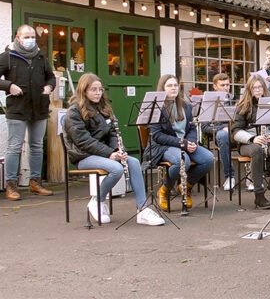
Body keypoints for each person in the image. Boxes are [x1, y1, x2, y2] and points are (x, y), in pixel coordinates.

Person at [63, 73, 164, 225]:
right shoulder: (74, 112)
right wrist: (110, 154)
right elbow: (83, 141)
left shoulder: (104, 108)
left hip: (105, 154)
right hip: (83, 156)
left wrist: (117, 151)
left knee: (134, 162)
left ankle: (142, 209)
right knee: (116, 169)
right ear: (84, 91)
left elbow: (113, 133)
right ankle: (97, 200)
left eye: (100, 89)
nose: (98, 93)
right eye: (93, 90)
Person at [0, 24, 56, 200]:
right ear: (18, 37)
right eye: (26, 37)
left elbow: (51, 76)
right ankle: (11, 185)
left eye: (32, 37)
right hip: (17, 108)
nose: (30, 40)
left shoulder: (40, 56)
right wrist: (9, 85)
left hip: (39, 107)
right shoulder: (7, 57)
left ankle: (35, 182)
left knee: (37, 146)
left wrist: (49, 86)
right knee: (14, 147)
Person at [147, 74, 214, 212]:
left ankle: (186, 187)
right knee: (184, 161)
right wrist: (181, 143)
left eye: (175, 85)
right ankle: (165, 189)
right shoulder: (156, 107)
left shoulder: (185, 105)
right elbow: (157, 136)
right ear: (162, 88)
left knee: (208, 159)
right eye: (169, 86)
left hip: (184, 143)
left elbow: (191, 127)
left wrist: (192, 141)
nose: (173, 88)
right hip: (164, 146)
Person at [232, 75, 270, 209]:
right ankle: (259, 195)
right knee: (257, 151)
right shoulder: (243, 106)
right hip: (248, 143)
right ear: (249, 90)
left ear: (264, 88)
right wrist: (252, 139)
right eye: (254, 88)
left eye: (260, 87)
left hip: (268, 139)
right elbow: (235, 131)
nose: (258, 90)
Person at [201, 73, 237, 190]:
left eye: (228, 85)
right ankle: (230, 176)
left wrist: (232, 128)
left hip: (236, 132)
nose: (226, 87)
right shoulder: (208, 103)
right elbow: (204, 127)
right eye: (222, 85)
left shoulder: (235, 101)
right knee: (222, 136)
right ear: (215, 87)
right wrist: (221, 128)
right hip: (222, 135)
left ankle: (252, 176)